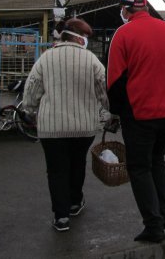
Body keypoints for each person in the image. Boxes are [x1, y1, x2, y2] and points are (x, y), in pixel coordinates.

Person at [107, 0, 165, 244]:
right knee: (157, 160)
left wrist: (118, 112)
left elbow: (115, 80)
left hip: (140, 113)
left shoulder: (123, 34)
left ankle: (153, 226)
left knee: (139, 167)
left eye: (122, 8)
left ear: (127, 9)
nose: (121, 13)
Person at [22, 18, 109, 232]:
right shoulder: (92, 61)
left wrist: (29, 111)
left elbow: (32, 88)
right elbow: (104, 91)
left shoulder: (45, 59)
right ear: (80, 38)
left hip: (52, 128)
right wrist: (110, 113)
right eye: (87, 37)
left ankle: (61, 217)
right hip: (84, 127)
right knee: (77, 163)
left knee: (56, 170)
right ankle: (75, 202)